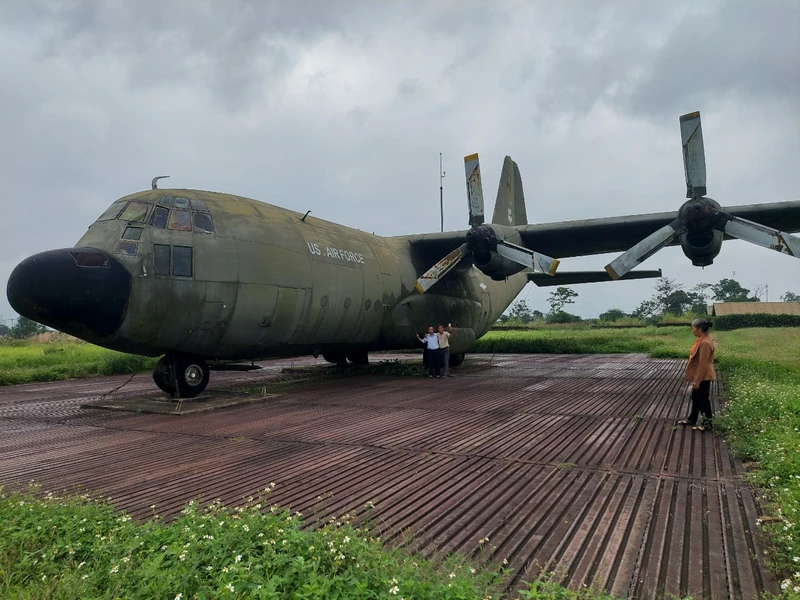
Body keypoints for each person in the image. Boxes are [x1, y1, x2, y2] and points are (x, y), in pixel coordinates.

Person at [677, 318, 716, 431]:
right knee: (696, 397)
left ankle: (707, 424)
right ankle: (692, 419)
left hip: (703, 376)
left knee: (703, 399)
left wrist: (696, 381)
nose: (692, 330)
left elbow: (703, 364)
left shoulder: (705, 342)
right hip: (700, 375)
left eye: (693, 328)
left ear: (699, 329)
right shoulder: (702, 339)